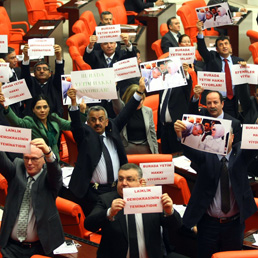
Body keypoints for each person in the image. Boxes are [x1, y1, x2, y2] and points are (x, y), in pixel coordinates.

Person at [63, 78, 146, 216]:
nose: (97, 123)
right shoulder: (84, 137)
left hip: (116, 189)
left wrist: (139, 91)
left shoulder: (113, 128)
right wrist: (73, 103)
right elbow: (76, 125)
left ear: (107, 122)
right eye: (93, 120)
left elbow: (127, 112)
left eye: (101, 119)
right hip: (94, 193)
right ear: (88, 123)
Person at [174, 121, 257, 258]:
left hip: (234, 225)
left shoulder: (241, 155)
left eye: (226, 135)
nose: (222, 138)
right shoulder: (205, 155)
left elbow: (253, 147)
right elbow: (189, 150)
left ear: (232, 138)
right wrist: (180, 135)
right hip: (208, 224)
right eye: (218, 135)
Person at [84, 163, 185, 258]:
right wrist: (109, 213)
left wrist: (169, 212)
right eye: (120, 179)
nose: (124, 183)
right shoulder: (106, 200)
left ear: (140, 182)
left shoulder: (152, 198)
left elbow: (176, 226)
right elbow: (89, 225)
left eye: (129, 179)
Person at [0, 138, 64, 257]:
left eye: (34, 159)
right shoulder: (17, 168)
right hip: (10, 247)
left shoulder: (49, 178)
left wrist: (48, 153)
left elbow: (56, 173)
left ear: (44, 160)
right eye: (26, 158)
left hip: (40, 248)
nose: (29, 163)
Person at [196, 20, 249, 118]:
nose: (224, 46)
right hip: (216, 102)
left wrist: (245, 67)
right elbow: (202, 49)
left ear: (230, 46)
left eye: (226, 44)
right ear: (217, 49)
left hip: (232, 101)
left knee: (232, 124)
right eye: (221, 45)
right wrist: (200, 31)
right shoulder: (212, 58)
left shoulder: (238, 61)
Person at [0, 93, 71, 161]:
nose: (42, 110)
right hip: (39, 162)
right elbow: (17, 122)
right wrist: (6, 107)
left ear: (49, 108)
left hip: (55, 160)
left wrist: (80, 111)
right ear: (33, 110)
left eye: (45, 107)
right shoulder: (30, 122)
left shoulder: (54, 118)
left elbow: (71, 125)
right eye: (38, 108)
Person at [157, 63, 192, 153]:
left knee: (178, 157)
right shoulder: (163, 84)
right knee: (166, 159)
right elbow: (161, 105)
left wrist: (185, 73)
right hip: (164, 128)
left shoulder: (181, 85)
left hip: (177, 128)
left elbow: (188, 83)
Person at [21, 44, 64, 117]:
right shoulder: (30, 83)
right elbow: (25, 74)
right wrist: (26, 57)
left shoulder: (55, 82)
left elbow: (59, 72)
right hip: (32, 120)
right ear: (34, 73)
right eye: (38, 69)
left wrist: (58, 56)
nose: (41, 71)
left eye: (45, 69)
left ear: (50, 73)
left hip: (53, 119)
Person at [120, 84, 158, 154]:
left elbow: (153, 135)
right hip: (128, 149)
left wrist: (156, 153)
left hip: (146, 148)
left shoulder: (148, 111)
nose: (140, 102)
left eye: (142, 99)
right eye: (138, 100)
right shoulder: (123, 111)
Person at [0, 47, 24, 121]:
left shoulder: (18, 71)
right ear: (4, 60)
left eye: (16, 57)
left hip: (20, 112)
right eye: (12, 58)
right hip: (4, 113)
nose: (16, 60)